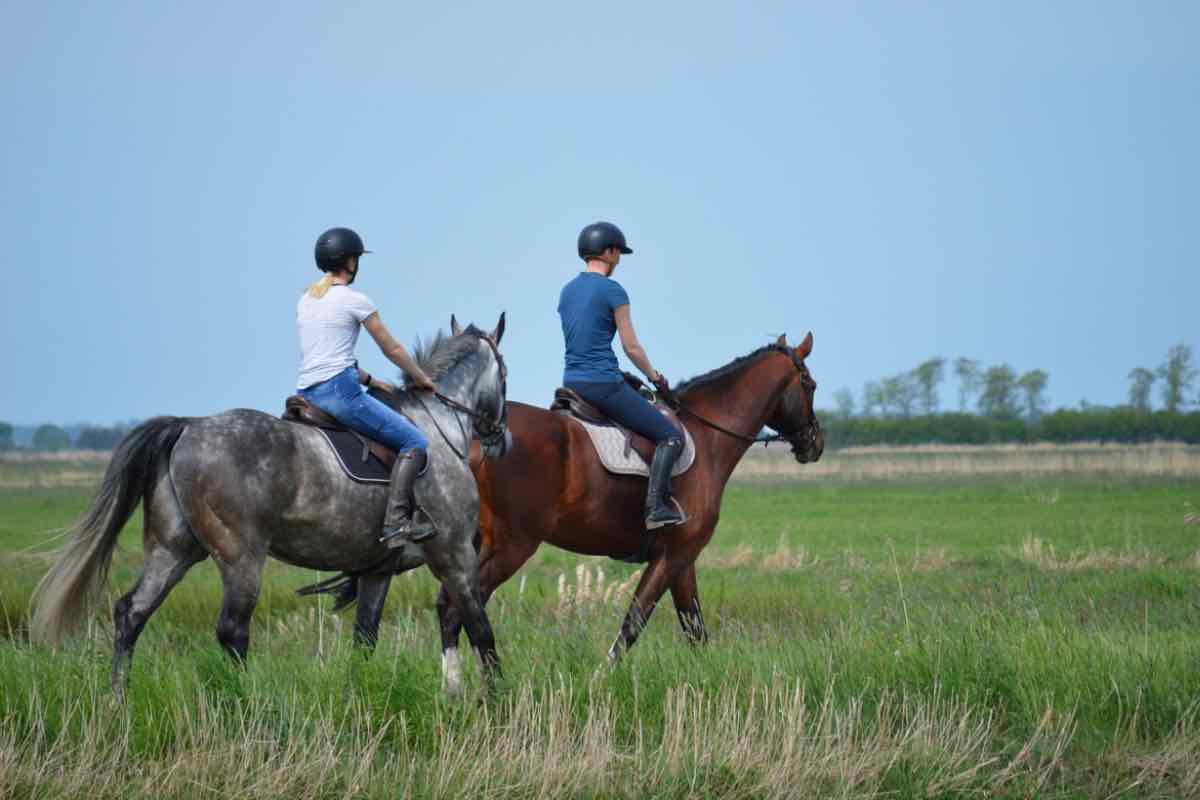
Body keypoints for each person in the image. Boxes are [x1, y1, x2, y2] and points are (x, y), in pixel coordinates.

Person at [296, 226, 438, 545]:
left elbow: (326, 354)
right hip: (340, 395)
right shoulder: (355, 300)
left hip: (307, 395)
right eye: (356, 258)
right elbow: (392, 348)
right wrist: (421, 378)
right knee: (415, 442)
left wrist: (372, 381)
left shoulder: (307, 299)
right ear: (349, 261)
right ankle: (397, 522)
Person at [557, 221, 685, 529]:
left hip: (572, 382)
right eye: (619, 253)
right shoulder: (613, 290)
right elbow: (631, 347)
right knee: (670, 435)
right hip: (602, 383)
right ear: (610, 251)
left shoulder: (568, 290)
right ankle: (655, 507)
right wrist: (656, 378)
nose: (620, 260)